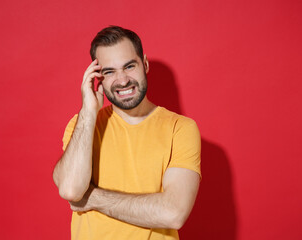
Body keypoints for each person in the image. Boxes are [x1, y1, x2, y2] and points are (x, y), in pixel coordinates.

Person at [53, 26, 201, 240]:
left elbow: (173, 213)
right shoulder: (83, 124)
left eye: (129, 66)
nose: (122, 81)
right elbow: (71, 190)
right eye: (109, 72)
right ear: (98, 78)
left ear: (145, 64)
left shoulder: (180, 128)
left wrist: (92, 197)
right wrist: (88, 111)